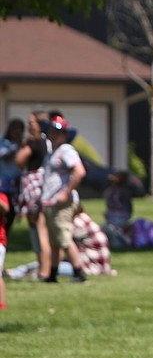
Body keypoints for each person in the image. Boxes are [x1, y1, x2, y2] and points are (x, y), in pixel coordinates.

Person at [38, 113, 87, 284]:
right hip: (51, 202)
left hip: (62, 203)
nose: (54, 135)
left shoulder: (66, 150)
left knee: (64, 238)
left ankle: (79, 273)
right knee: (55, 241)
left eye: (58, 132)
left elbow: (79, 171)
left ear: (65, 135)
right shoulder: (52, 153)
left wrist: (65, 193)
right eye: (52, 131)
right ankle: (53, 274)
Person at [14, 110, 51, 281]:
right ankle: (43, 268)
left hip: (35, 189)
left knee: (39, 230)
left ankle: (44, 271)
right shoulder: (47, 142)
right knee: (37, 230)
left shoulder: (34, 143)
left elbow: (20, 161)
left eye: (31, 122)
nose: (29, 125)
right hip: (41, 187)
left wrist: (23, 145)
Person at [0, 118, 24, 234]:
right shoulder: (4, 143)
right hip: (4, 185)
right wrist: (14, 147)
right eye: (15, 129)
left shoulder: (24, 145)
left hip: (17, 185)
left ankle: (4, 236)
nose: (17, 132)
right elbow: (4, 157)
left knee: (11, 213)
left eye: (20, 130)